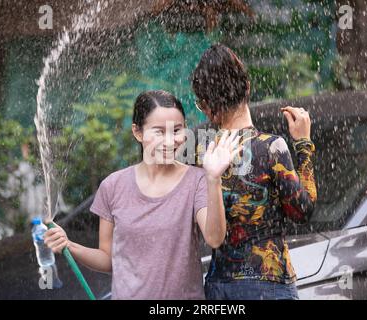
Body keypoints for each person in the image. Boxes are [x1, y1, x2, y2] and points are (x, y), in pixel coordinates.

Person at [44, 90, 243, 299]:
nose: (169, 141)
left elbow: (214, 238)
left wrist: (214, 180)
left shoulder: (197, 180)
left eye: (176, 130)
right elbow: (108, 259)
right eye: (159, 132)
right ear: (138, 133)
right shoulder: (113, 186)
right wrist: (69, 245)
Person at [191, 44, 317, 300]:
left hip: (218, 284)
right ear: (247, 86)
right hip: (268, 283)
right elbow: (302, 211)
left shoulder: (203, 153)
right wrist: (304, 145)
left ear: (205, 105)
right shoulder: (271, 147)